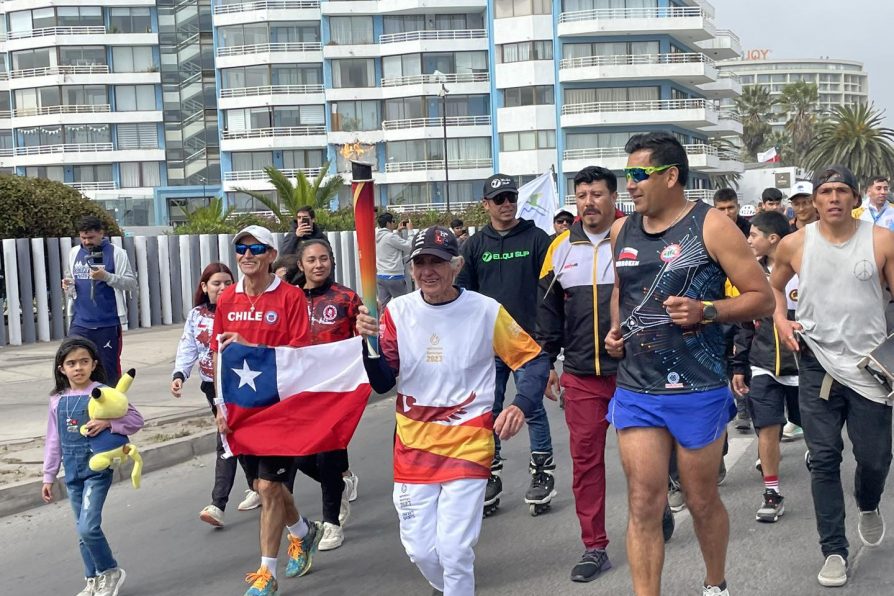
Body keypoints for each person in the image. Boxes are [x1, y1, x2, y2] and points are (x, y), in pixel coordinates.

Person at [605, 132, 773, 596]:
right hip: (637, 387)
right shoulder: (623, 230)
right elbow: (624, 291)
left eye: (639, 175)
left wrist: (709, 311)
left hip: (697, 387)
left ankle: (715, 584)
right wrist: (616, 330)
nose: (630, 185)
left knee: (700, 500)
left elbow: (762, 298)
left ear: (671, 176)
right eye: (628, 175)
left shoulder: (712, 226)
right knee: (643, 503)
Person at [356, 226, 550, 595]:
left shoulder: (484, 311)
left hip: (468, 443)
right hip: (414, 448)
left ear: (456, 266)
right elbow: (383, 382)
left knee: (455, 549)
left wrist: (521, 404)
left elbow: (533, 360)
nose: (428, 271)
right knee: (420, 549)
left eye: (438, 262)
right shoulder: (398, 311)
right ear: (411, 269)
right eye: (421, 263)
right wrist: (368, 348)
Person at [770, 165, 894, 588]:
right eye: (826, 191)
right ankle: (835, 551)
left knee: (876, 458)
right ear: (816, 200)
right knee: (823, 459)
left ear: (856, 198)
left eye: (842, 190)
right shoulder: (794, 243)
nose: (834, 198)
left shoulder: (879, 240)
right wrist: (782, 322)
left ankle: (869, 502)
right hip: (816, 364)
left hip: (870, 368)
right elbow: (772, 288)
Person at [211, 225, 321, 596]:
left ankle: (266, 574)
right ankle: (303, 532)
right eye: (241, 248)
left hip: (282, 408)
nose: (247, 255)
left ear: (272, 255)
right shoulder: (227, 298)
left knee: (271, 486)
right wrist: (219, 408)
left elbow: (300, 354)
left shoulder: (290, 297)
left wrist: (251, 345)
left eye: (256, 248)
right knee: (261, 485)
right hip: (243, 413)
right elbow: (219, 358)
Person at [537, 166, 620, 582]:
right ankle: (594, 546)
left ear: (613, 197)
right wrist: (548, 362)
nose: (589, 202)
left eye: (597, 194)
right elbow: (548, 314)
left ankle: (657, 505)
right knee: (586, 462)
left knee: (648, 460)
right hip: (582, 375)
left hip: (635, 374)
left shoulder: (634, 238)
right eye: (582, 194)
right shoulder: (559, 249)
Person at [456, 173, 556, 514]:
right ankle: (491, 473)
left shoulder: (537, 239)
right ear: (486, 205)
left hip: (529, 342)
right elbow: (461, 295)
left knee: (532, 408)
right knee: (490, 408)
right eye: (499, 199)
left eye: (511, 197)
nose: (507, 204)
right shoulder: (474, 245)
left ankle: (542, 472)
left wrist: (549, 339)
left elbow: (552, 291)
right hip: (488, 344)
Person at [42, 337, 144, 596]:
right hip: (72, 472)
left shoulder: (104, 392)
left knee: (88, 527)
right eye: (71, 363)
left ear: (93, 364)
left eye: (84, 362)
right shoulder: (57, 400)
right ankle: (92, 578)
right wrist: (48, 475)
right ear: (61, 368)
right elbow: (53, 439)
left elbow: (135, 420)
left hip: (97, 471)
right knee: (81, 530)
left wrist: (110, 424)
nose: (78, 368)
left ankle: (110, 571)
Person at [171, 262, 261, 526]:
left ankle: (218, 504)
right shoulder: (197, 315)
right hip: (212, 385)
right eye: (216, 283)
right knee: (233, 435)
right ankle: (257, 485)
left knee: (226, 436)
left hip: (242, 382)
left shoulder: (242, 310)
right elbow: (188, 347)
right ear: (204, 287)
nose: (222, 288)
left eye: (227, 282)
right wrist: (179, 375)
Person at [292, 239, 364, 551]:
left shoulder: (347, 298)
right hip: (300, 392)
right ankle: (338, 483)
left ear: (332, 261)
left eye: (324, 259)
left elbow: (364, 338)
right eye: (312, 260)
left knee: (328, 454)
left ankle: (331, 523)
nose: (318, 264)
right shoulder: (289, 299)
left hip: (337, 392)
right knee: (300, 457)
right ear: (301, 265)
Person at [730, 211, 801, 523]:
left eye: (754, 235)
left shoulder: (804, 270)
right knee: (768, 428)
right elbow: (745, 326)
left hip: (802, 366)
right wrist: (739, 366)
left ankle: (819, 454)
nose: (748, 240)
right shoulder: (750, 275)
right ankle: (771, 493)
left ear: (773, 239)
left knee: (812, 428)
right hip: (763, 365)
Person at [63, 215, 138, 385]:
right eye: (83, 238)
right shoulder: (74, 252)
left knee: (108, 369)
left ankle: (112, 406)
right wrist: (68, 285)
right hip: (80, 322)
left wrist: (106, 276)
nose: (87, 242)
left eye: (91, 238)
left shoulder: (116, 253)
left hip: (107, 323)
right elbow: (70, 281)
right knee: (74, 366)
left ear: (101, 233)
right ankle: (79, 402)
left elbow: (130, 283)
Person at [375, 213, 414, 307]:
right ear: (388, 223)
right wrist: (410, 231)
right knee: (402, 305)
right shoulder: (391, 237)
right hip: (394, 276)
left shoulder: (376, 236)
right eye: (393, 221)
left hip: (381, 276)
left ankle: (382, 321)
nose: (394, 223)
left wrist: (397, 231)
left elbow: (389, 242)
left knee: (383, 307)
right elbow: (409, 246)